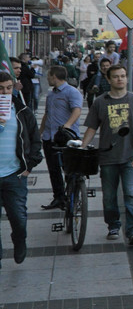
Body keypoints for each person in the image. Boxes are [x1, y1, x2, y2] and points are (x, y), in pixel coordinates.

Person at [80, 65, 133, 246]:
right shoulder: (100, 102)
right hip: (108, 157)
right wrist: (81, 147)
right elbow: (92, 127)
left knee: (132, 194)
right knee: (109, 196)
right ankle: (113, 225)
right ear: (109, 80)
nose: (120, 79)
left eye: (123, 76)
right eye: (116, 77)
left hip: (130, 156)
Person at [0, 72, 40, 266]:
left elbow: (35, 139)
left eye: (8, 88)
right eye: (1, 88)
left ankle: (19, 240)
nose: (5, 92)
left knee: (18, 216)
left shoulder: (22, 111)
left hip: (14, 175)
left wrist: (29, 165)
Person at [39, 65, 82, 211]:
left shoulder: (72, 92)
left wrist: (67, 126)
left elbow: (77, 110)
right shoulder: (51, 94)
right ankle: (58, 197)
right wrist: (40, 132)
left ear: (54, 76)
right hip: (49, 138)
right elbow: (47, 114)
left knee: (68, 169)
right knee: (53, 169)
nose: (47, 78)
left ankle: (71, 196)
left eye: (48, 76)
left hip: (65, 138)